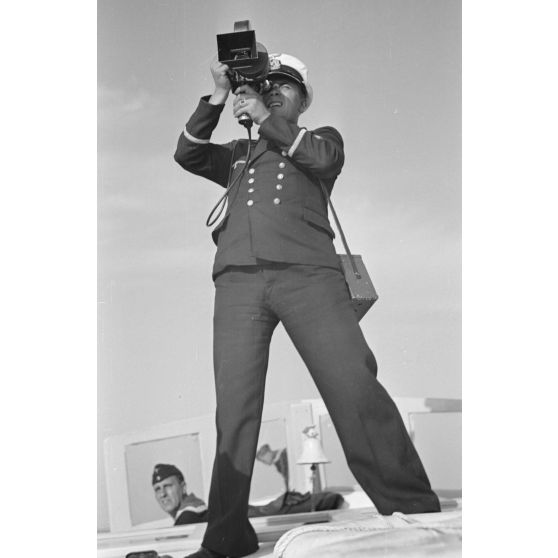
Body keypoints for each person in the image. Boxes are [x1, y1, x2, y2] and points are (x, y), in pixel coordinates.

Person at [174, 52, 441, 558]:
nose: (273, 89)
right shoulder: (236, 153)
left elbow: (323, 160)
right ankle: (225, 538)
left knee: (351, 384)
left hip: (308, 275)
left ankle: (414, 510)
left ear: (303, 98)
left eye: (285, 85)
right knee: (234, 412)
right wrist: (215, 96)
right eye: (265, 83)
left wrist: (263, 116)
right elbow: (187, 154)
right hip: (238, 282)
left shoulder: (321, 139)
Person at [152, 463, 343, 526]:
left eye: (167, 486)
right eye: (158, 489)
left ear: (183, 487)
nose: (163, 494)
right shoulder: (194, 508)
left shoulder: (187, 517)